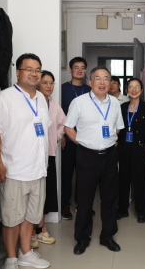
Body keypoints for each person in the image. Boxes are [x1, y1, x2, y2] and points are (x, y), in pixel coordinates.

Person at [0, 53, 51, 269]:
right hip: (14, 170)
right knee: (12, 219)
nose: (34, 73)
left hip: (38, 169)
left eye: (37, 69)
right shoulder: (5, 98)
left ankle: (26, 254)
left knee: (30, 216)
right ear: (18, 72)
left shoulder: (41, 99)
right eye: (29, 69)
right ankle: (11, 260)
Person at [64, 66, 124, 255]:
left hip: (109, 156)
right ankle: (82, 238)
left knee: (110, 199)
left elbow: (118, 127)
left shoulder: (115, 103)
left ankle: (108, 236)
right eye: (98, 78)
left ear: (110, 83)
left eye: (106, 78)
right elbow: (68, 127)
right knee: (84, 200)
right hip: (87, 156)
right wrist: (83, 143)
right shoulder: (79, 102)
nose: (102, 82)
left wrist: (109, 142)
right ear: (90, 82)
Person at [116, 78, 145, 223]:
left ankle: (141, 211)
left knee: (139, 180)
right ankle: (122, 209)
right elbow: (117, 127)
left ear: (141, 90)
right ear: (126, 90)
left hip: (138, 148)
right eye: (131, 87)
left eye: (137, 87)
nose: (134, 90)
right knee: (123, 179)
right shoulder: (122, 107)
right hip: (123, 147)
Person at [33, 70, 66, 246]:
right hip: (31, 156)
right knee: (33, 195)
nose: (48, 86)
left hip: (49, 154)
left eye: (51, 83)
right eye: (45, 82)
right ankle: (30, 232)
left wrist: (56, 136)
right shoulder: (32, 102)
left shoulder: (54, 105)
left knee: (46, 193)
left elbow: (65, 123)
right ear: (38, 84)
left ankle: (41, 229)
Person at [60, 57, 91, 220]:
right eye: (76, 67)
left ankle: (82, 204)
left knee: (84, 174)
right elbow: (58, 114)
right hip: (68, 137)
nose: (79, 70)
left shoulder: (90, 90)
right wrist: (61, 134)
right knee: (66, 173)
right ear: (70, 70)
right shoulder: (62, 89)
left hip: (87, 139)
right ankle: (65, 205)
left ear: (85, 71)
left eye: (82, 67)